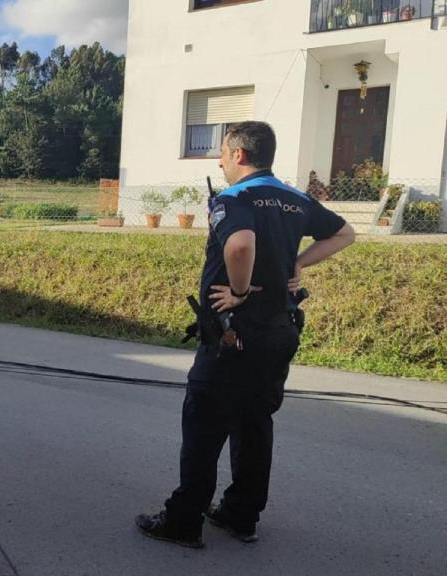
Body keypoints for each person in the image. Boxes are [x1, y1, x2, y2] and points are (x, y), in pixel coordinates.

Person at [136, 121, 355, 547]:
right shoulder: (296, 199)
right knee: (255, 424)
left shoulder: (233, 198)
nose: (218, 161)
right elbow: (345, 233)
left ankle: (183, 523)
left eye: (221, 153)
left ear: (238, 154)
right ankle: (241, 515)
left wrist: (237, 292)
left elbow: (239, 245)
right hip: (279, 332)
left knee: (204, 428)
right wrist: (300, 263)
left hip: (232, 337)